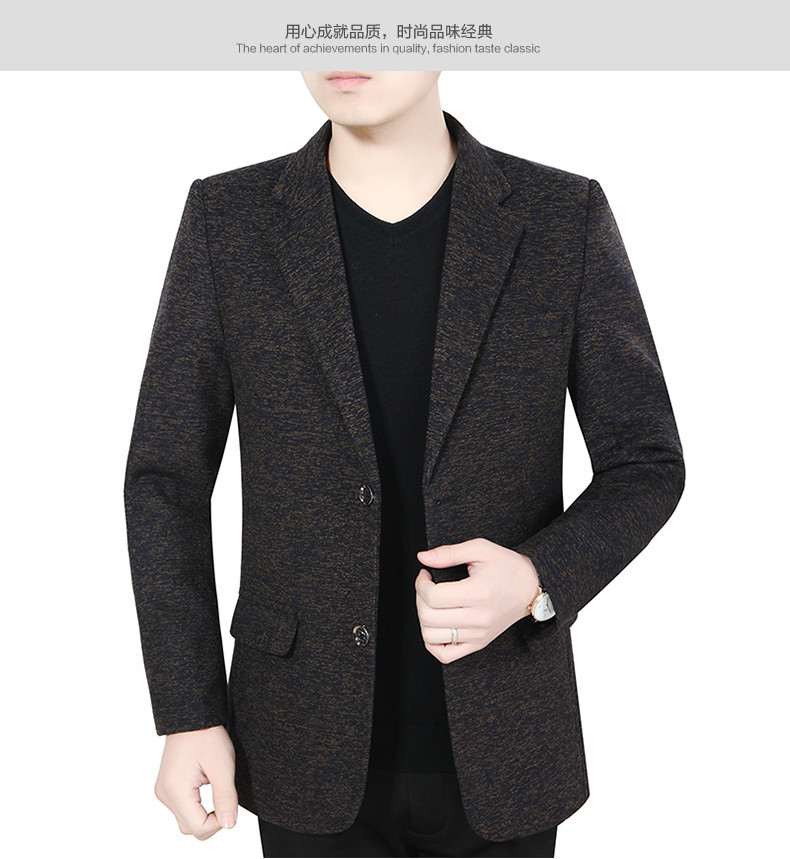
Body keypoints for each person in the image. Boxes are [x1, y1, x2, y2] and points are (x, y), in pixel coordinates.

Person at [124, 71, 685, 858]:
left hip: (506, 745)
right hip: (298, 743)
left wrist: (538, 579)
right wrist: (189, 710)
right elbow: (165, 480)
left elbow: (646, 460)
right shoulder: (230, 220)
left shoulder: (561, 217)